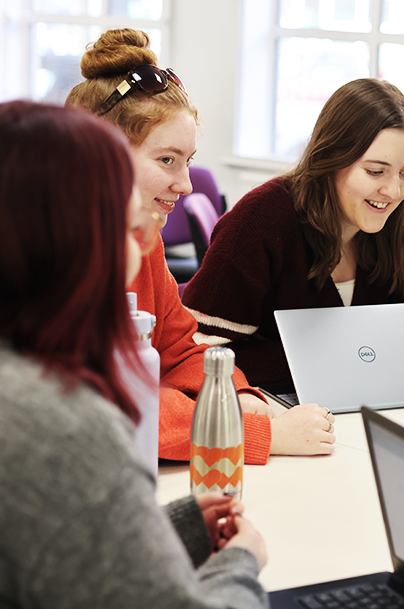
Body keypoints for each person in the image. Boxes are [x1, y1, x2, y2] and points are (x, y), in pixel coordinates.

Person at [0, 100, 273, 609]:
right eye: (128, 232)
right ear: (75, 240)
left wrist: (171, 527)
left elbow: (50, 546)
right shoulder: (59, 424)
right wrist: (242, 561)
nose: (141, 251)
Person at [66, 28, 335, 463]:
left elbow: (179, 346)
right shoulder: (55, 255)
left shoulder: (142, 236)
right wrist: (255, 432)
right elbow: (115, 404)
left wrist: (238, 393)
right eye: (167, 160)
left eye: (187, 161)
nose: (187, 184)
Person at [181, 78, 404, 389]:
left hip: (373, 401)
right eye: (375, 171)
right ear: (330, 159)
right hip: (274, 407)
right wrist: (333, 364)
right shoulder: (260, 219)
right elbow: (199, 352)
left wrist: (333, 364)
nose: (394, 190)